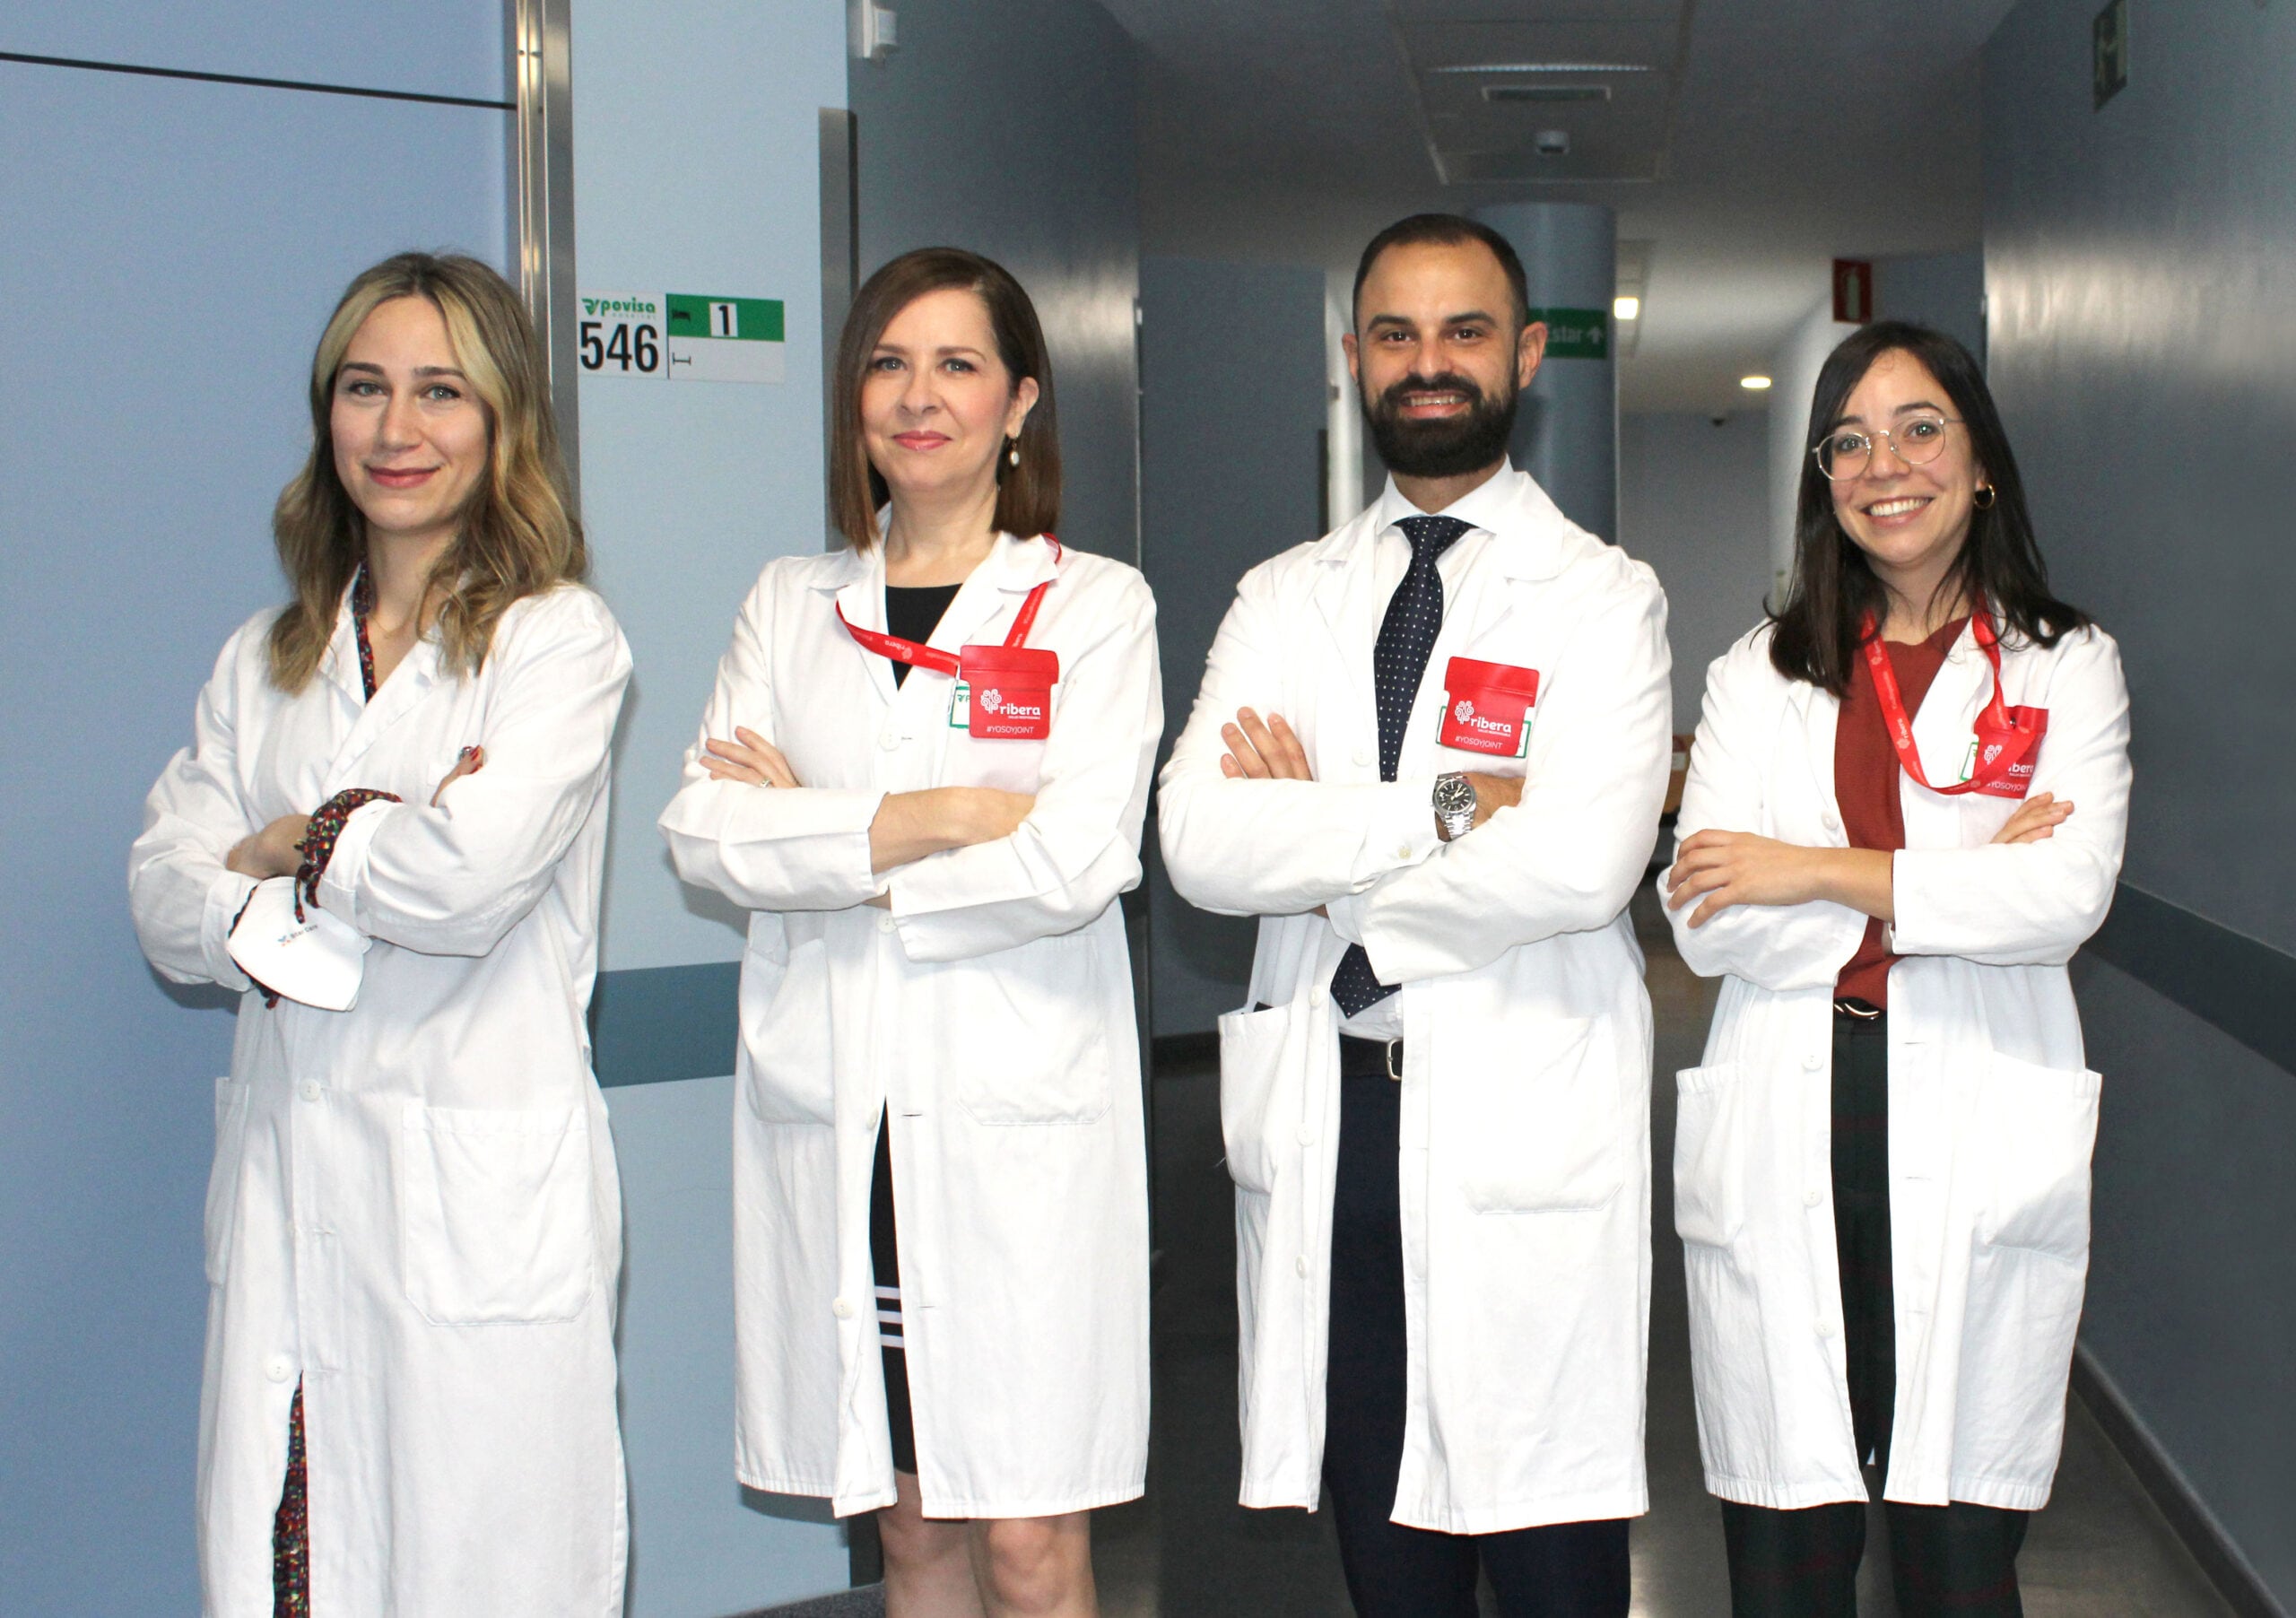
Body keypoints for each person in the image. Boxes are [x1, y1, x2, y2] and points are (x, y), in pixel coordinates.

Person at [1158, 213, 1672, 1617]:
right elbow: (1200, 840)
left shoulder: (1601, 597)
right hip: (1338, 1119)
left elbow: (1586, 859)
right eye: (1395, 333)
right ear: (1353, 358)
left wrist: (1325, 859)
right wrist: (1446, 810)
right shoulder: (1286, 596)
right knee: (1385, 1542)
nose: (1427, 363)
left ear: (1528, 352)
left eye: (1462, 332)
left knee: (1551, 1547)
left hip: (1523, 1100)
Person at [128, 252, 632, 1616]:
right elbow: (167, 902)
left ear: (503, 423)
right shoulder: (264, 658)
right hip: (296, 1201)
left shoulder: (556, 644)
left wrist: (292, 839)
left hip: (471, 1211)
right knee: (297, 1566)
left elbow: (468, 886)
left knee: (483, 1569)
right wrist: (363, 840)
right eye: (365, 390)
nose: (397, 430)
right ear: (326, 416)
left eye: (439, 392)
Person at [658, 247, 1159, 1618]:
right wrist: (941, 814)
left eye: (956, 365)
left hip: (1016, 1128)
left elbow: (1081, 855)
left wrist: (822, 835)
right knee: (912, 1530)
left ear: (1020, 403)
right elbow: (702, 832)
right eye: (887, 362)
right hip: (844, 1121)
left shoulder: (1094, 607)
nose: (917, 395)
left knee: (1029, 1542)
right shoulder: (789, 603)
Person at [1660, 319, 2131, 1615]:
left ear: (1981, 461)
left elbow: (2064, 895)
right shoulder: (1760, 675)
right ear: (1825, 480)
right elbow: (1704, 915)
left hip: (1975, 1113)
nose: (1887, 464)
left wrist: (1812, 866)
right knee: (1788, 1561)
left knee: (1957, 1563)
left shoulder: (2065, 663)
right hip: (1792, 1112)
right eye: (1850, 440)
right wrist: (1965, 870)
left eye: (1921, 426)